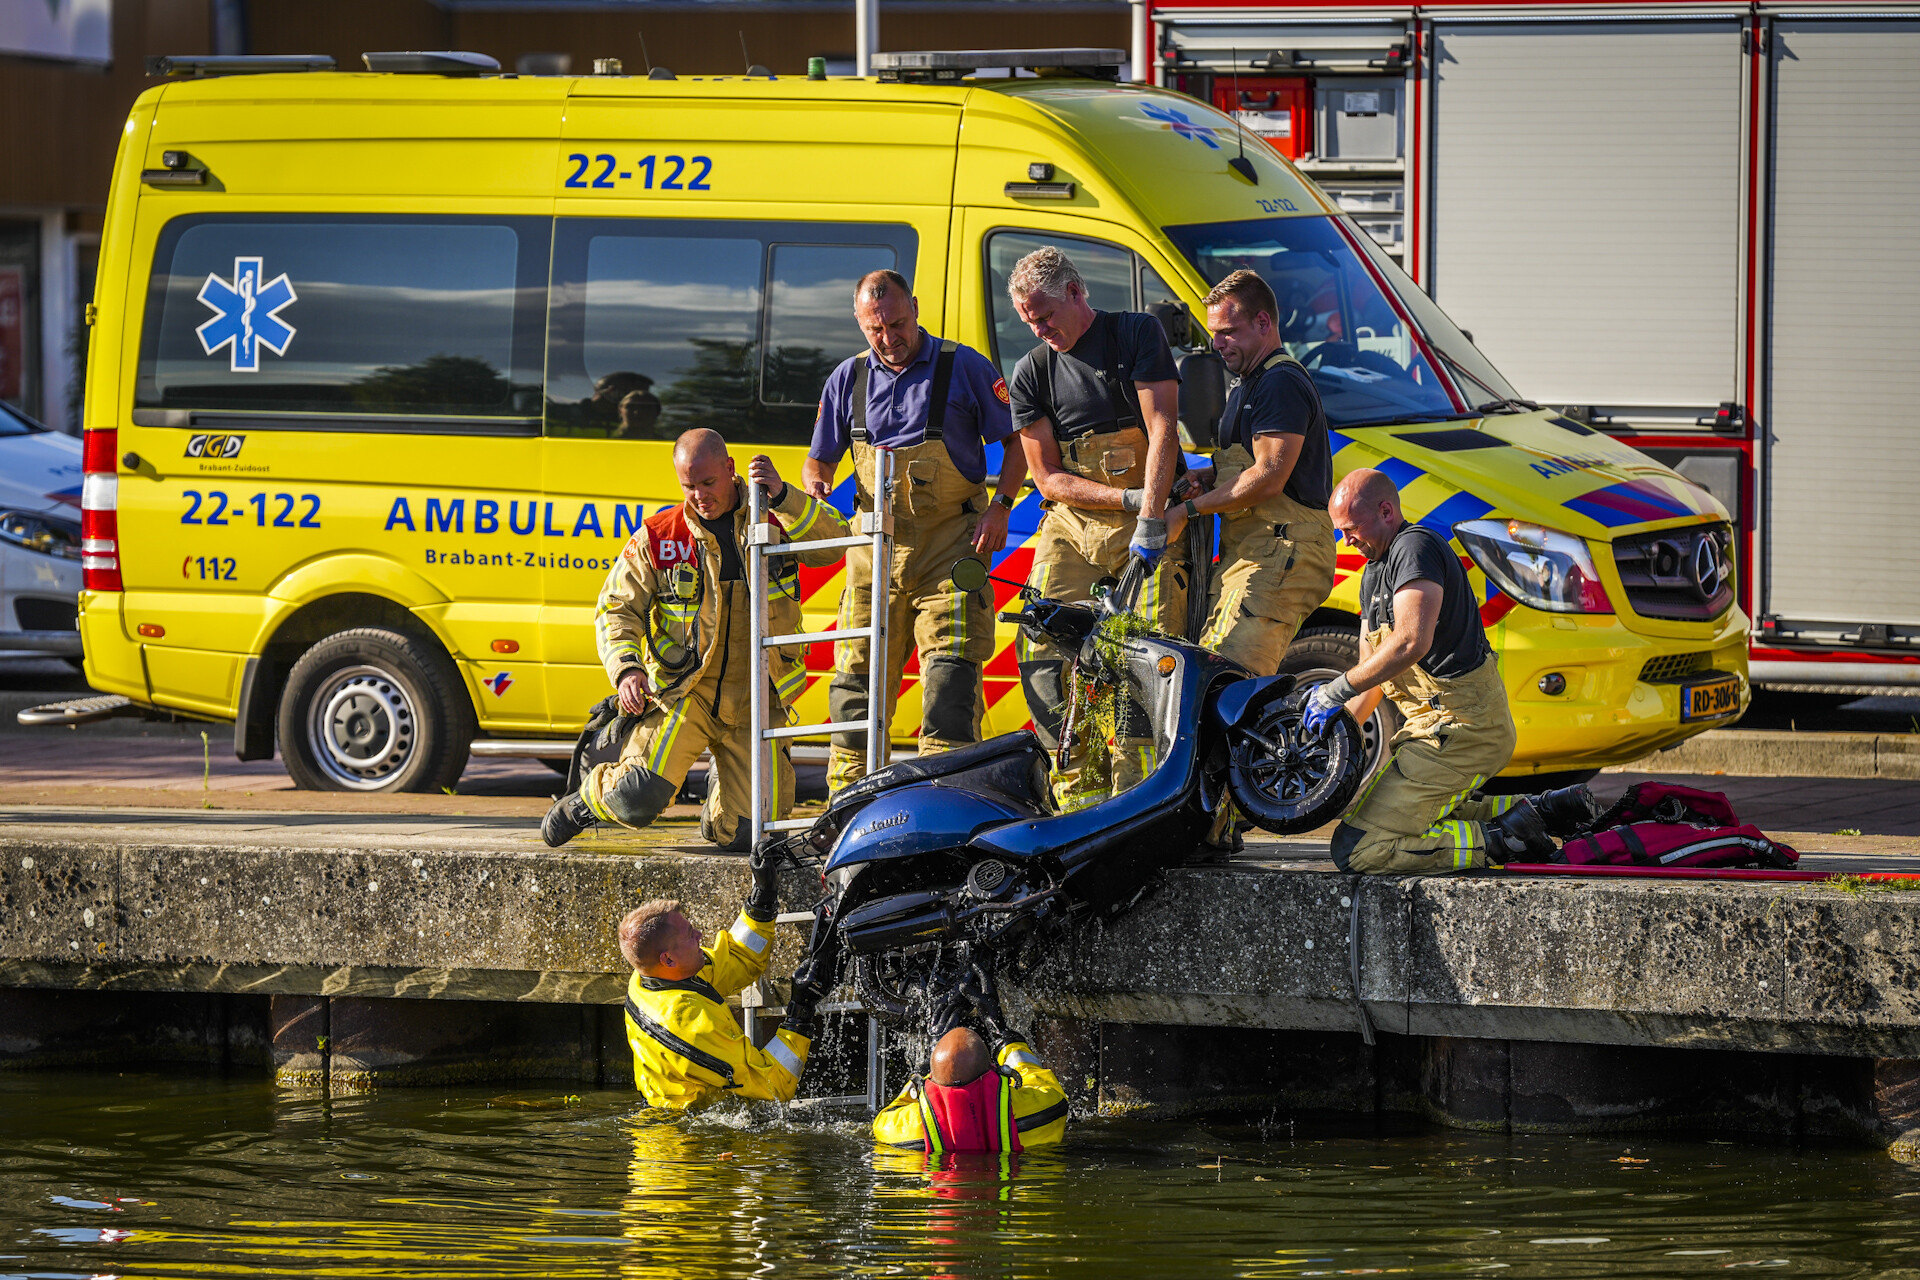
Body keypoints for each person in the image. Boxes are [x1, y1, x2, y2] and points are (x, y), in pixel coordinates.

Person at [541, 428, 850, 850]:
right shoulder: (661, 535)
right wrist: (628, 670)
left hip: (758, 698)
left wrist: (782, 494)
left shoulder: (776, 515)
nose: (700, 496)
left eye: (708, 483)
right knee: (637, 796)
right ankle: (584, 803)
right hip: (687, 692)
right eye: (689, 486)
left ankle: (721, 804)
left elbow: (835, 544)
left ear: (730, 469)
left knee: (752, 836)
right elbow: (616, 607)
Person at [1303, 469, 1597, 872]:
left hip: (1463, 730)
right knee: (1422, 817)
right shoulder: (1373, 573)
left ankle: (1502, 842)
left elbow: (1410, 641)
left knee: (1358, 848)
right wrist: (1332, 739)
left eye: (1351, 528)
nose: (1346, 540)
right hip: (1433, 730)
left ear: (1387, 511)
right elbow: (1369, 675)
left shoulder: (1415, 548)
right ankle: (1547, 811)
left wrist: (1333, 690)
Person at [805, 269, 1026, 795]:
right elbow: (819, 460)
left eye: (898, 323)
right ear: (860, 324)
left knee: (950, 685)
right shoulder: (846, 379)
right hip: (871, 555)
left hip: (950, 549)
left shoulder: (965, 367)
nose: (889, 338)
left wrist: (1001, 507)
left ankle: (947, 805)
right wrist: (815, 490)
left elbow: (1017, 445)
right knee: (854, 688)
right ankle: (848, 802)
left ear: (916, 309)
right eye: (874, 329)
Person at [1007, 246, 1189, 810]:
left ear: (1076, 294)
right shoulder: (1032, 371)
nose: (1040, 330)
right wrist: (1127, 497)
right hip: (1073, 527)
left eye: (1045, 316)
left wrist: (1152, 517)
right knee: (1042, 644)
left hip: (1150, 527)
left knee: (1145, 661)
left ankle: (1136, 798)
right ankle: (1074, 797)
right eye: (1029, 322)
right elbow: (1049, 480)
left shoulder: (1136, 335)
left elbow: (1162, 430)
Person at [618, 858, 829, 1110]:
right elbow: (772, 1085)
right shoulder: (692, 1023)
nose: (699, 936)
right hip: (684, 1142)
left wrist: (762, 900)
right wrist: (800, 1012)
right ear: (668, 959)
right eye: (689, 935)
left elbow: (737, 960)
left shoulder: (652, 974)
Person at [873, 971, 1068, 1152]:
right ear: (994, 1070)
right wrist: (1000, 1032)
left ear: (931, 1084)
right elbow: (1034, 1075)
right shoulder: (1043, 1105)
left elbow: (890, 1113)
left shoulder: (903, 1128)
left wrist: (927, 1062)